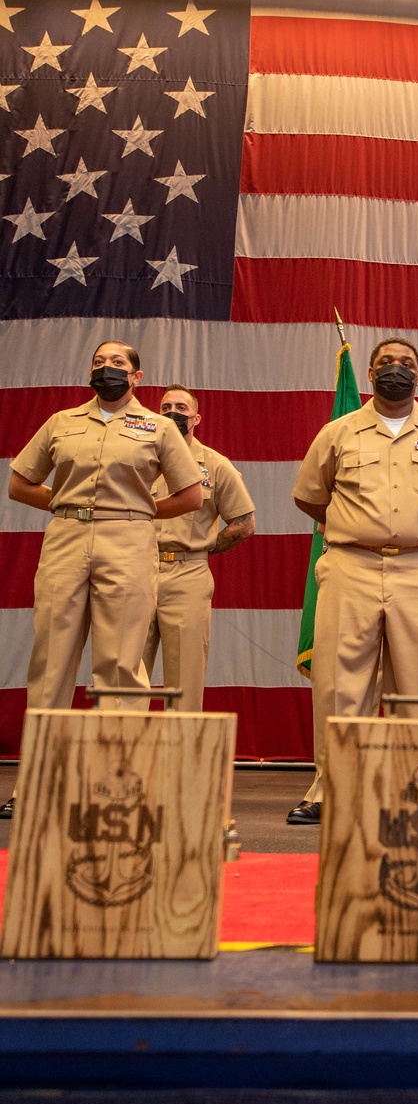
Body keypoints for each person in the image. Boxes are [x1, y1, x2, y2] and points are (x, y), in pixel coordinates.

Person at [286, 336, 418, 825]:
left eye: (406, 364)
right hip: (350, 566)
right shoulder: (337, 432)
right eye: (385, 363)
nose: (395, 369)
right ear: (371, 373)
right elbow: (311, 497)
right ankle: (331, 786)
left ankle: (412, 787)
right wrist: (356, 527)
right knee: (340, 686)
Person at [2, 339, 203, 817]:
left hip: (129, 541)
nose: (107, 368)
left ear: (137, 376)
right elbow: (19, 482)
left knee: (120, 663)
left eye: (118, 363)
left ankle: (115, 781)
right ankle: (36, 780)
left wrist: (134, 510)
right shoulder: (62, 422)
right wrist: (65, 503)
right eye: (99, 361)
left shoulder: (157, 427)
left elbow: (192, 495)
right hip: (67, 537)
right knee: (51, 659)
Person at [141, 386, 256, 711]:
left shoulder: (215, 465)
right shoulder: (139, 459)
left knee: (185, 683)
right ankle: (122, 758)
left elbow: (244, 524)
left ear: (196, 417)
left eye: (181, 406)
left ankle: (181, 761)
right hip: (136, 571)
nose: (172, 412)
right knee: (124, 675)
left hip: (186, 576)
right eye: (165, 407)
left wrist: (201, 549)